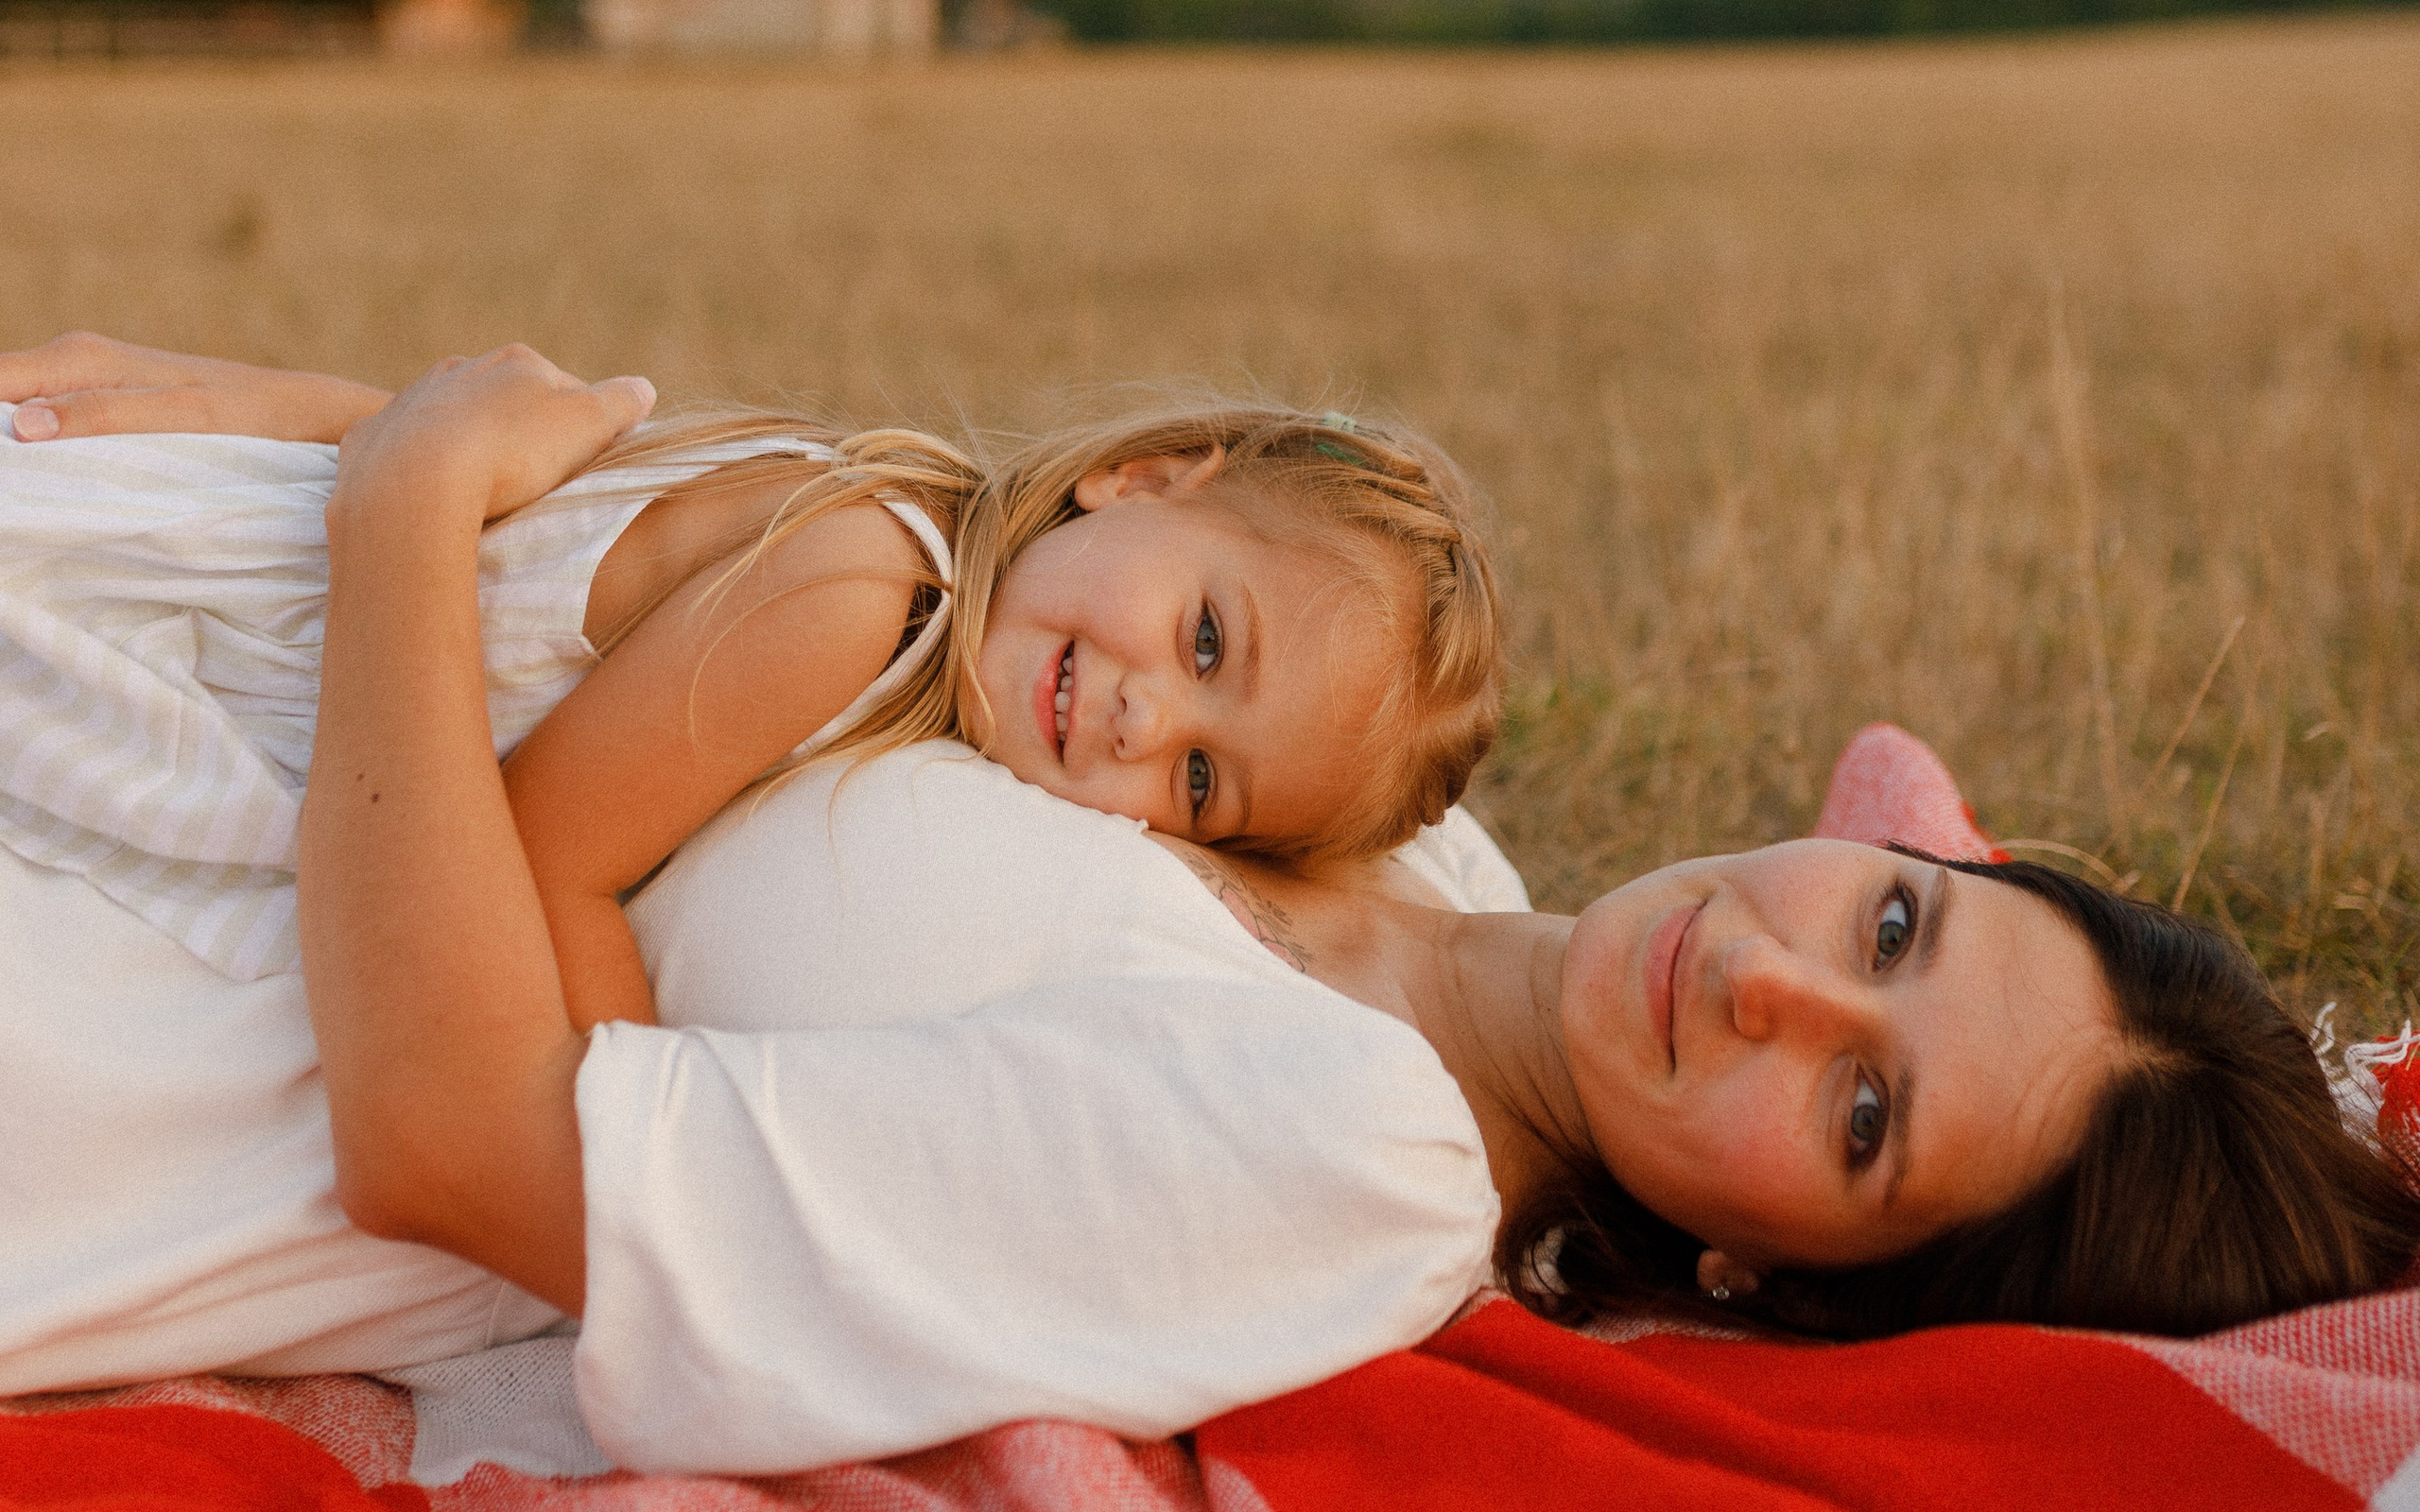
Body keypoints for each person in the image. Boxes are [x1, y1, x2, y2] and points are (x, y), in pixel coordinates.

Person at [0, 341, 2411, 1469]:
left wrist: (397, 505)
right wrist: (309, 423)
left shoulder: (1337, 1161)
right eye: (1888, 927)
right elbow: (752, 555)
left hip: (151, 1040)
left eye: (1859, 1120)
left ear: (1769, 1283)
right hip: (225, 724)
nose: (1768, 983)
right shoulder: (1417, 843)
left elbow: (447, 1138)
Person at [0, 329, 1503, 1022]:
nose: (1143, 717)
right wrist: (639, 1124)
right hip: (200, 629)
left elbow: (515, 483)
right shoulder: (866, 593)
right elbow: (545, 864)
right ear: (1144, 477)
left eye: (1202, 778)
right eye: (1207, 639)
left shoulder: (902, 537)